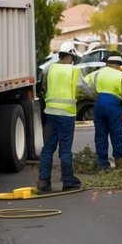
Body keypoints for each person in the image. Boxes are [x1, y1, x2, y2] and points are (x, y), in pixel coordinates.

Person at [37, 49, 84, 193]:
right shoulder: (73, 71)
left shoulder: (49, 69)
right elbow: (84, 87)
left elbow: (44, 87)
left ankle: (43, 182)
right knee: (65, 149)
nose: (73, 61)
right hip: (66, 115)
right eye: (73, 58)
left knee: (48, 148)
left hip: (51, 113)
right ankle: (68, 181)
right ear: (69, 56)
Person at [84, 52, 122, 170]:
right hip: (113, 105)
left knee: (100, 135)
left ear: (108, 63)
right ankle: (120, 161)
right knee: (116, 134)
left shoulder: (98, 73)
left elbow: (88, 85)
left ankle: (102, 164)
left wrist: (96, 95)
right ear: (119, 64)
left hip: (99, 103)